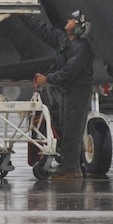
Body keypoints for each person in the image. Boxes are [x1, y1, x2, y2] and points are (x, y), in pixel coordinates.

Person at [24, 11, 95, 179]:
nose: (68, 20)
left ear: (78, 27)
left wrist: (47, 79)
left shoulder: (81, 48)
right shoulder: (64, 40)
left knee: (72, 128)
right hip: (67, 90)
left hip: (78, 91)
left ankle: (71, 169)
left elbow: (69, 72)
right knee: (65, 126)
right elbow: (44, 31)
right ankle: (72, 164)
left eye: (72, 20)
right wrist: (24, 16)